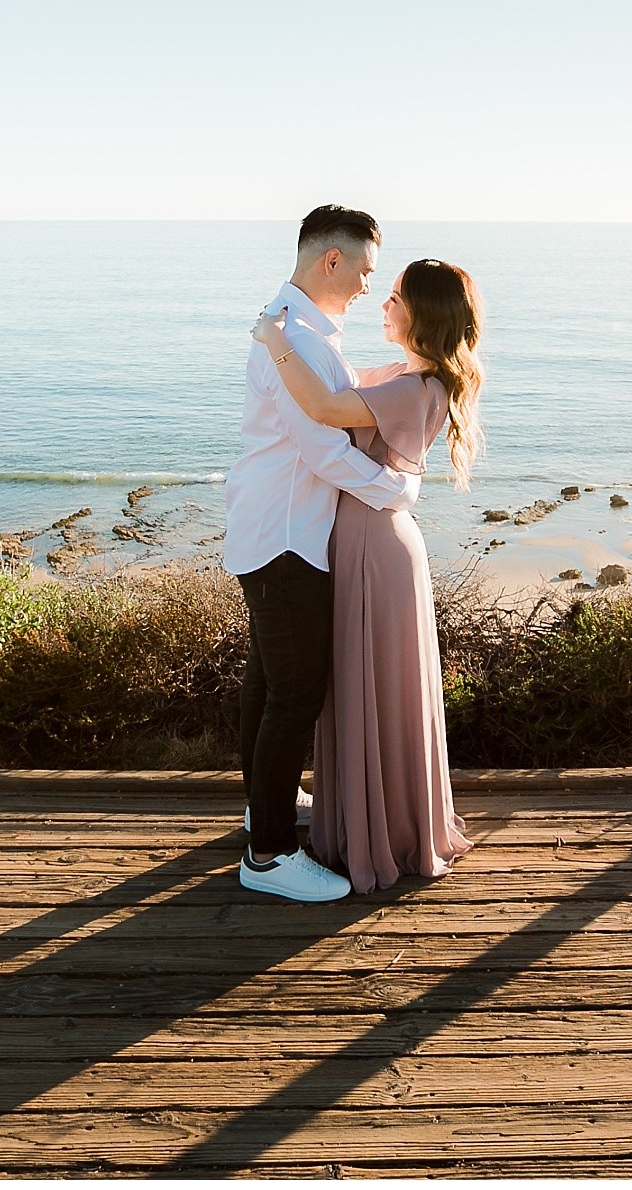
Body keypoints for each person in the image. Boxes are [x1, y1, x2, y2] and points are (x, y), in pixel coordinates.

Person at [251, 256, 482, 894]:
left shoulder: (410, 388)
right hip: (381, 539)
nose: (383, 303)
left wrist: (274, 341)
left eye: (396, 297)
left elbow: (325, 409)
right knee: (377, 684)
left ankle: (371, 829)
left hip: (368, 547)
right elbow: (346, 384)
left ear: (421, 314)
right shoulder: (414, 377)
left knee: (366, 682)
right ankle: (384, 817)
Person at [223, 206, 422, 904]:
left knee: (267, 683)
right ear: (330, 261)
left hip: (272, 530)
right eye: (366, 269)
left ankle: (262, 810)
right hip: (286, 537)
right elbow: (322, 447)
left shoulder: (300, 326)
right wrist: (395, 490)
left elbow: (338, 395)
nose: (371, 284)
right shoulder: (298, 335)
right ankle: (270, 854)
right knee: (295, 692)